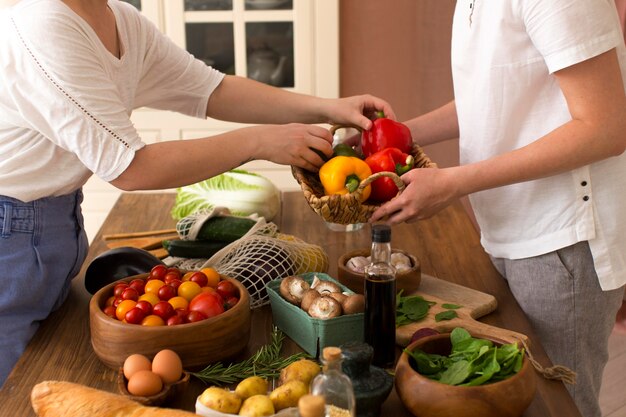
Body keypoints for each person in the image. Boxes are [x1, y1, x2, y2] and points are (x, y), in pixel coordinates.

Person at [0, 0, 394, 387]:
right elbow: (130, 167)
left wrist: (329, 108)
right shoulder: (45, 25)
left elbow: (211, 89)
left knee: (34, 370)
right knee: (13, 388)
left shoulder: (118, 18)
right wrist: (257, 141)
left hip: (53, 222)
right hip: (10, 237)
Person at [369, 1, 626, 416]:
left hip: (563, 240)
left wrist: (454, 183)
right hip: (509, 226)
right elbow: (494, 100)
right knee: (518, 402)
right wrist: (392, 136)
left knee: (556, 406)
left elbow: (606, 128)